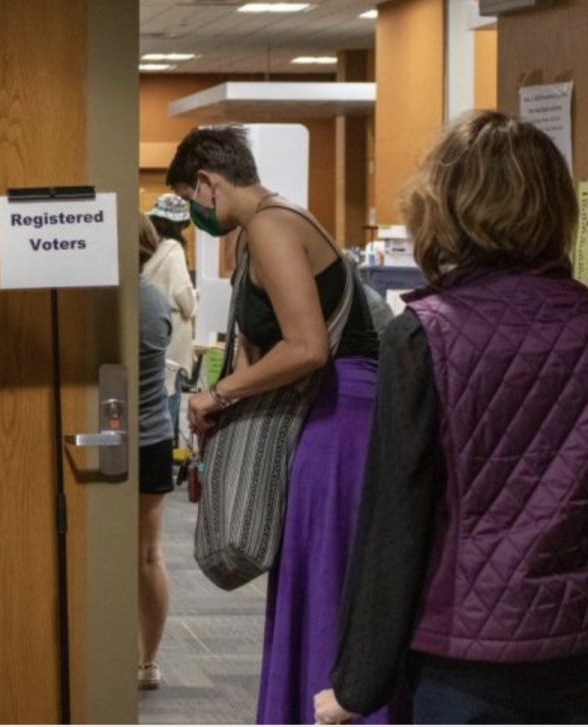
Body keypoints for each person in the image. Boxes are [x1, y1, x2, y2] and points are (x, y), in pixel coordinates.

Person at [314, 111, 588, 725]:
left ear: (444, 206)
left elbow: (396, 523)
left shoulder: (423, 337)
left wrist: (355, 685)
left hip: (466, 659)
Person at [166, 125, 401, 724]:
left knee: (326, 576)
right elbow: (259, 345)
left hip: (339, 419)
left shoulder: (272, 226)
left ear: (207, 183)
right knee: (308, 571)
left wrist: (217, 393)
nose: (194, 216)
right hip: (323, 417)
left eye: (191, 201)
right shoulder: (256, 233)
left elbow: (307, 348)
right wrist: (228, 400)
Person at [137, 214, 174, 692]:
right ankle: (148, 662)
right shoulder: (152, 298)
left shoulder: (111, 298)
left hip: (121, 437)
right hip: (154, 435)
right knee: (147, 555)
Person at [143, 194, 197, 439]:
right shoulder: (173, 249)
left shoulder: (151, 247)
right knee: (169, 405)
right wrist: (195, 298)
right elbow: (183, 297)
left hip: (154, 334)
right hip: (173, 342)